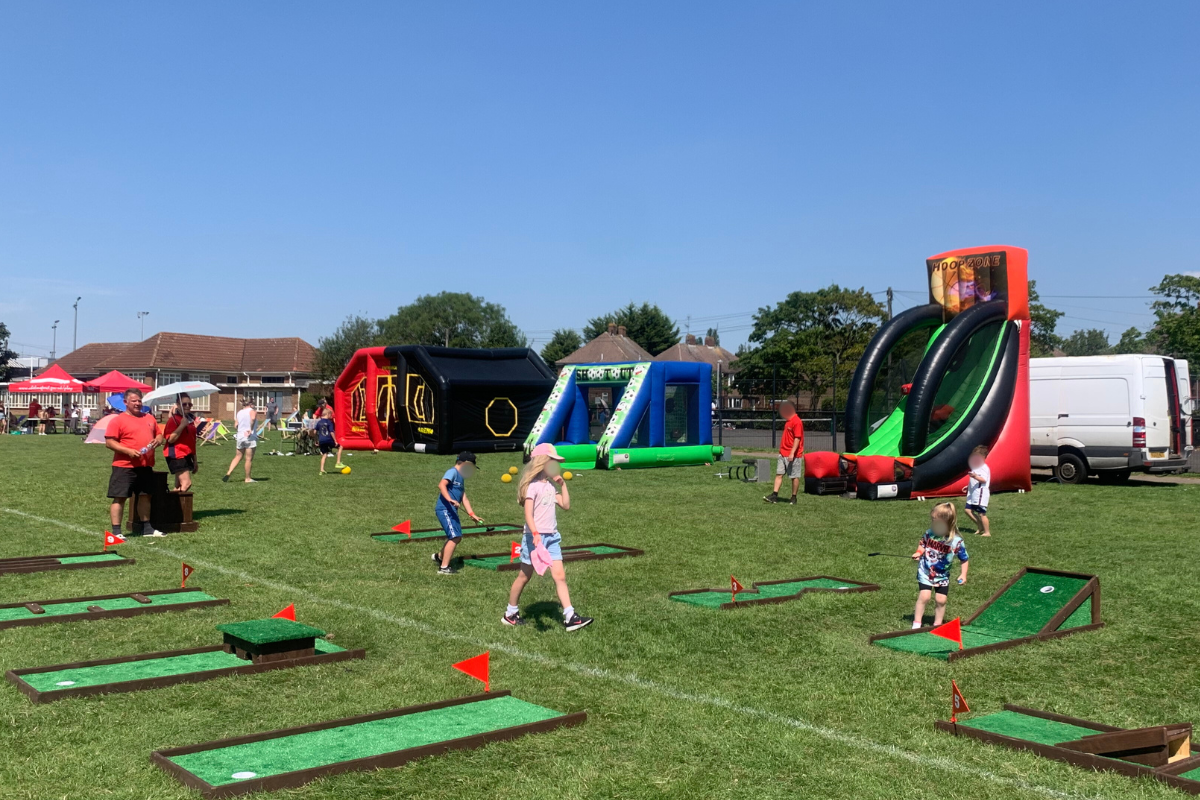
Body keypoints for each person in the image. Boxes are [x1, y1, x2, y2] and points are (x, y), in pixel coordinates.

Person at [502, 443, 593, 631]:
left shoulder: (551, 487)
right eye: (553, 463)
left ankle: (570, 616)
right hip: (533, 538)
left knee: (560, 576)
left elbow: (566, 506)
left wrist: (563, 484)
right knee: (524, 576)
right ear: (543, 463)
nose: (556, 467)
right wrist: (535, 534)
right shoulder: (532, 487)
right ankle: (510, 613)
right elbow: (528, 514)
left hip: (552, 538)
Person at [104, 388, 165, 537]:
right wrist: (128, 451)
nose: (137, 403)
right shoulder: (117, 420)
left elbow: (159, 434)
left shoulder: (149, 418)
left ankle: (147, 529)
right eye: (134, 401)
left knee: (145, 496)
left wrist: (158, 440)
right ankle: (116, 532)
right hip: (124, 466)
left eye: (139, 400)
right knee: (120, 497)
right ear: (125, 402)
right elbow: (109, 442)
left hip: (145, 466)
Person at [910, 502, 969, 629]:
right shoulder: (930, 533)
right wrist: (918, 552)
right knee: (924, 597)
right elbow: (922, 544)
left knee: (941, 600)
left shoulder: (956, 541)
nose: (932, 523)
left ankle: (937, 624)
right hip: (925, 572)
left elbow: (964, 559)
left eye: (935, 520)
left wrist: (963, 574)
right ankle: (917, 623)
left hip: (942, 576)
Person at [431, 451, 484, 575]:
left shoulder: (460, 477)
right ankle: (444, 568)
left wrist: (472, 514)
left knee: (457, 537)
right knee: (454, 537)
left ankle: (439, 557)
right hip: (444, 509)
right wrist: (450, 499)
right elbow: (441, 485)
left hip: (451, 511)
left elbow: (464, 497)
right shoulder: (452, 472)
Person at [764, 401, 804, 504]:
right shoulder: (788, 421)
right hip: (783, 453)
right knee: (779, 474)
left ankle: (794, 497)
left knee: (794, 476)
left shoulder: (797, 421)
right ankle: (774, 495)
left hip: (794, 455)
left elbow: (797, 438)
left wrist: (792, 453)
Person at [164, 394, 199, 492]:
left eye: (189, 404)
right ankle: (173, 505)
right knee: (186, 483)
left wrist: (195, 460)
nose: (187, 406)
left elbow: (192, 441)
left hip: (186, 453)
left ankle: (170, 505)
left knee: (178, 486)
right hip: (176, 454)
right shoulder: (173, 420)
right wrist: (182, 426)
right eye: (184, 404)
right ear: (178, 405)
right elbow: (170, 439)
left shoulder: (190, 420)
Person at [223, 399, 258, 483]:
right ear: (250, 404)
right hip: (249, 437)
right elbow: (252, 418)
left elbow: (235, 425)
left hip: (240, 436)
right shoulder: (252, 411)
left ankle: (228, 473)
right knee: (248, 459)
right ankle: (248, 478)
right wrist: (250, 429)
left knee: (238, 456)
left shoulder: (239, 412)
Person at [964, 445, 992, 537]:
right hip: (973, 492)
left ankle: (987, 532)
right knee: (967, 510)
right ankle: (980, 525)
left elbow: (983, 479)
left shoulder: (984, 467)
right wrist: (968, 487)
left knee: (981, 513)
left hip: (980, 493)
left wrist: (975, 476)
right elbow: (974, 479)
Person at [315, 407, 342, 475]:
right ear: (327, 414)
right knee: (340, 447)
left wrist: (316, 440)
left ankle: (321, 470)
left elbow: (315, 432)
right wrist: (335, 440)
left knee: (324, 454)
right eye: (331, 414)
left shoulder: (319, 422)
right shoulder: (329, 422)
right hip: (328, 439)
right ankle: (338, 462)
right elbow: (331, 432)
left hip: (321, 440)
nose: (331, 416)